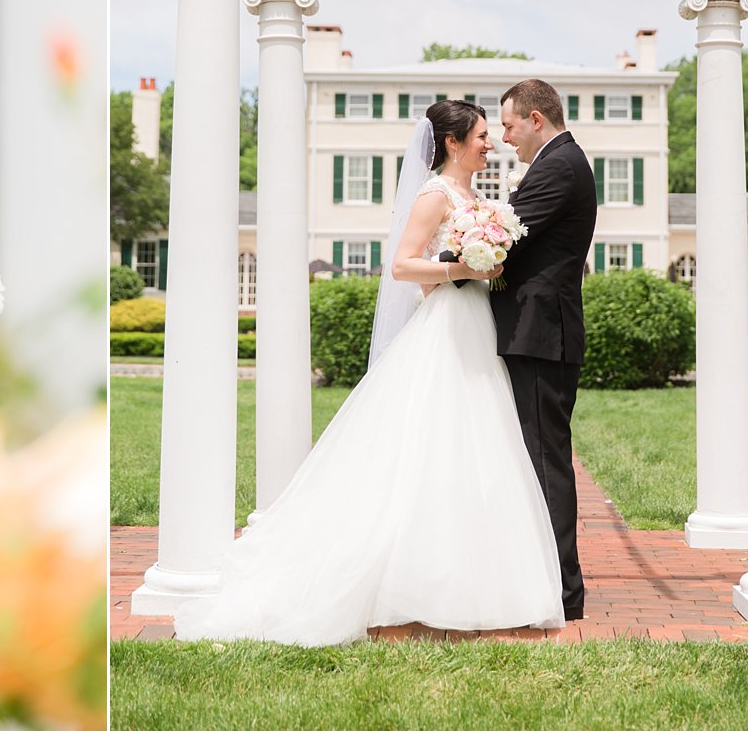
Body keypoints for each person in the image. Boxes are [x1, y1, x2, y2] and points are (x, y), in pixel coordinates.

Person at [174, 100, 563, 645]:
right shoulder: (435, 194)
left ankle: (469, 591)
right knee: (430, 444)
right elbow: (403, 265)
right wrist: (463, 265)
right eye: (479, 134)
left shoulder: (476, 199)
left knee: (472, 448)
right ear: (452, 143)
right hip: (446, 326)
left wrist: (486, 262)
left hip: (474, 325)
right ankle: (401, 596)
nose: (489, 143)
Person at [492, 79, 597, 622]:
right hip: (535, 332)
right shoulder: (559, 161)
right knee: (535, 459)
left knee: (545, 462)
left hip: (540, 334)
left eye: (508, 125)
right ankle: (543, 580)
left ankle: (561, 591)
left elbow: (507, 233)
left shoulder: (559, 165)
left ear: (536, 118)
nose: (505, 137)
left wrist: (443, 260)